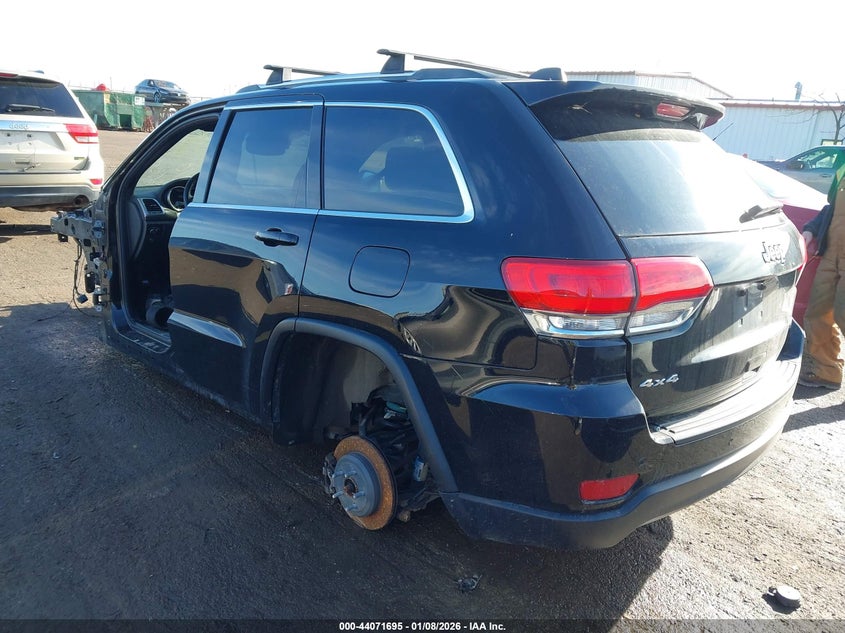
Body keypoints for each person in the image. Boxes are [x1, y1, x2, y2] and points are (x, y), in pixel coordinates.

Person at [799, 150, 845, 389]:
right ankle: (827, 371)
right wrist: (812, 229)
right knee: (818, 314)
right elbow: (830, 208)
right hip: (831, 254)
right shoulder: (843, 166)